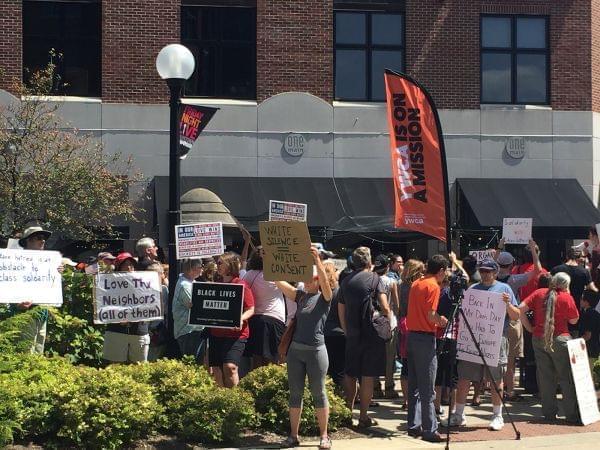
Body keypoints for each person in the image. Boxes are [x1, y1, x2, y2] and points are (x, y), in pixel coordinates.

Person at [444, 258, 519, 432]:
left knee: (495, 379)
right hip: (472, 339)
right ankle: (459, 414)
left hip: (495, 339)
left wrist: (507, 303)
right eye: (482, 270)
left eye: (488, 271)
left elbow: (515, 316)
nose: (485, 274)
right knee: (464, 377)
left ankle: (497, 415)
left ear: (496, 272)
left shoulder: (504, 288)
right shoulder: (472, 289)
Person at [276, 247, 334, 450]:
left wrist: (317, 260)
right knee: (295, 394)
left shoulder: (324, 298)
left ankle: (324, 436)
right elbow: (279, 282)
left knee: (319, 392)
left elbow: (326, 286)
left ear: (319, 280)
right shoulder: (300, 296)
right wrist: (270, 261)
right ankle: (293, 435)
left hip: (316, 351)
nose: (309, 280)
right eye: (307, 278)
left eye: (313, 278)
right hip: (296, 352)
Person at [338, 247, 391, 428]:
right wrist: (388, 319)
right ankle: (364, 416)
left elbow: (341, 309)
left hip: (352, 333)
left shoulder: (345, 282)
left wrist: (346, 330)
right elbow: (384, 306)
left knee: (351, 374)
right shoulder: (376, 279)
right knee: (367, 376)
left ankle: (347, 411)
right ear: (370, 262)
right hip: (371, 334)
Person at [520, 272, 580, 423]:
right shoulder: (567, 297)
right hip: (560, 339)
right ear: (566, 285)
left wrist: (529, 328)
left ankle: (549, 413)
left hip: (539, 337)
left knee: (545, 378)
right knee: (566, 378)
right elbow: (574, 320)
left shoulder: (539, 293)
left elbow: (520, 308)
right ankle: (571, 414)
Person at [406, 254, 449, 443]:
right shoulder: (433, 286)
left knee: (414, 385)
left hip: (412, 336)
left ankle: (413, 425)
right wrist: (442, 321)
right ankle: (430, 429)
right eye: (445, 271)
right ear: (440, 270)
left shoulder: (416, 283)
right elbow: (432, 315)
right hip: (425, 338)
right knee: (428, 388)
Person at [496, 239, 542, 402]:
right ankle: (509, 392)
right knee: (510, 360)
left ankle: (495, 390)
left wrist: (499, 247)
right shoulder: (514, 280)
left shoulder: (491, 277)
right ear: (512, 263)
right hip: (512, 319)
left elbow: (493, 263)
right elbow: (538, 270)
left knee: (495, 358)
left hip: (494, 320)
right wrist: (533, 250)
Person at [11, 226, 60, 354]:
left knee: (38, 351)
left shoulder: (47, 262)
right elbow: (8, 286)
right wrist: (16, 304)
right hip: (24, 314)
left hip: (42, 313)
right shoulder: (14, 260)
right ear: (28, 240)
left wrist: (57, 273)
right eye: (39, 238)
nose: (43, 241)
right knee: (26, 353)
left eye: (44, 238)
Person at [209, 252, 255, 388]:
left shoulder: (241, 285)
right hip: (216, 332)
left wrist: (240, 319)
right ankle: (221, 399)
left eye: (220, 263)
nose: (218, 266)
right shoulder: (216, 284)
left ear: (230, 265)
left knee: (230, 367)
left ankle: (235, 399)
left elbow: (251, 309)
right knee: (216, 369)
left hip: (236, 334)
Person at [102, 252, 151, 363]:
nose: (130, 268)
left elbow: (150, 305)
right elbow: (104, 306)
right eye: (126, 264)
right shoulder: (109, 285)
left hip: (139, 331)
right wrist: (117, 317)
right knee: (114, 369)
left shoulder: (144, 283)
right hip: (116, 331)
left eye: (132, 265)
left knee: (139, 368)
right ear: (118, 268)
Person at [243, 246, 287, 368]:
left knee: (256, 358)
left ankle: (255, 382)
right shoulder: (276, 274)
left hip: (254, 319)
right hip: (273, 319)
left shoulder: (248, 275)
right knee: (274, 358)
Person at [398, 259, 425, 409]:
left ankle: (406, 400)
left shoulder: (400, 286)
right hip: (414, 325)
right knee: (415, 364)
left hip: (403, 324)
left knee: (405, 364)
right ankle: (413, 398)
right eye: (420, 271)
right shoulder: (416, 287)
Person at [373, 254, 400, 399]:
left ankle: (376, 387)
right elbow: (396, 304)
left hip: (374, 322)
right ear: (388, 266)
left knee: (375, 356)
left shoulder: (370, 280)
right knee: (390, 358)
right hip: (389, 322)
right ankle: (389, 387)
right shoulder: (391, 282)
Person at [172, 258, 207, 364]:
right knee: (193, 363)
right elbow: (193, 304)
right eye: (200, 267)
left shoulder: (189, 281)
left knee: (197, 362)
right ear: (191, 269)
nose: (202, 269)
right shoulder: (185, 285)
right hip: (188, 330)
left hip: (193, 329)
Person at [323, 261, 345, 390]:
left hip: (323, 334)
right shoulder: (339, 291)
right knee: (340, 372)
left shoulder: (319, 292)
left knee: (326, 372)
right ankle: (343, 402)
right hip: (338, 333)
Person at [578, 290, 600, 376]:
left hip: (588, 349)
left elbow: (588, 335)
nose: (580, 300)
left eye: (581, 299)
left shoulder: (589, 314)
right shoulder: (595, 313)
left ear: (586, 302)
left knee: (585, 376)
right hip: (593, 349)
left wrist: (575, 343)